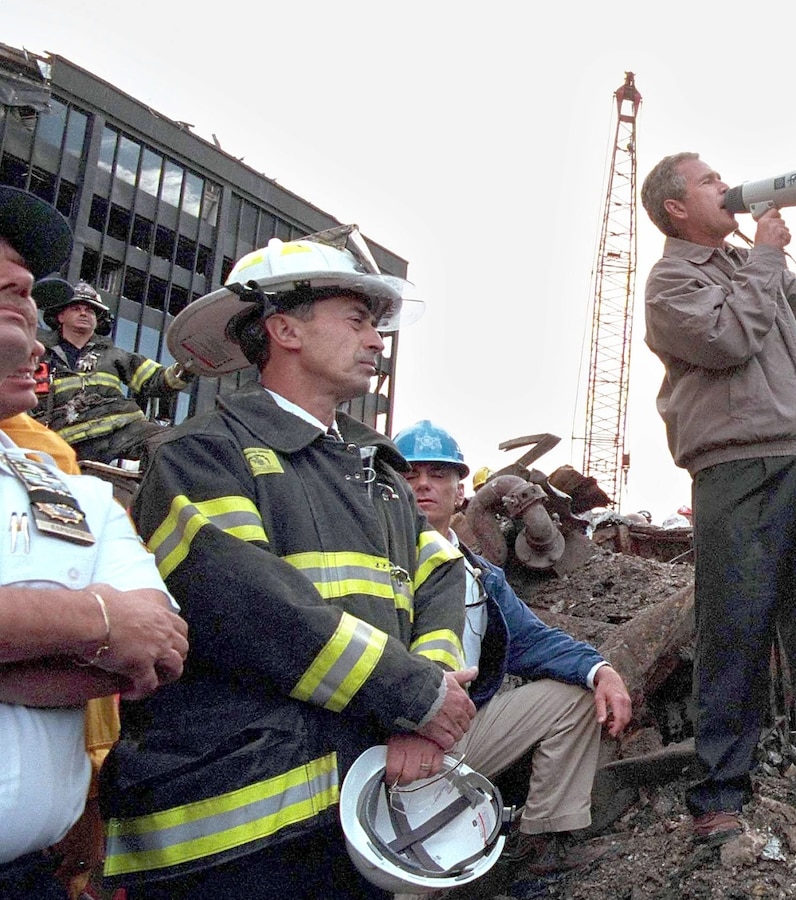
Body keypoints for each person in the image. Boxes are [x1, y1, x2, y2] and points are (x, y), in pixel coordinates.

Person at [101, 232, 472, 899]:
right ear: (283, 330)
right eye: (357, 320)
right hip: (235, 832)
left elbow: (441, 574)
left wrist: (429, 694)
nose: (376, 340)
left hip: (360, 809)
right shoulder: (200, 454)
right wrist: (415, 696)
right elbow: (247, 605)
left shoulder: (377, 472)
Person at [639, 151, 796, 845]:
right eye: (710, 181)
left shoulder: (748, 266)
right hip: (735, 474)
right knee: (735, 633)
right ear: (676, 208)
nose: (726, 186)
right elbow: (726, 339)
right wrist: (767, 258)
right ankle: (719, 795)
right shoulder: (670, 280)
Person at [0, 185, 189, 900]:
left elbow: (155, 649)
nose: (37, 306)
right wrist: (97, 620)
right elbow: (122, 629)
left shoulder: (64, 484)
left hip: (30, 873)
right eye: (7, 287)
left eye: (36, 297)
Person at [394, 419, 632, 875]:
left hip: (454, 737)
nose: (424, 484)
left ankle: (541, 846)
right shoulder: (367, 560)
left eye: (438, 474)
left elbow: (533, 639)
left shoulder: (479, 574)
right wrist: (402, 722)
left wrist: (602, 670)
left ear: (460, 491)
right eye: (410, 473)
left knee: (575, 697)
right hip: (382, 745)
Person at [35, 280, 189, 464]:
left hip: (123, 431)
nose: (84, 313)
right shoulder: (37, 356)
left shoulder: (114, 355)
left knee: (173, 446)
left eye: (90, 310)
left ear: (97, 320)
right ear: (60, 317)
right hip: (66, 444)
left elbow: (158, 381)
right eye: (76, 308)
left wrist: (189, 365)